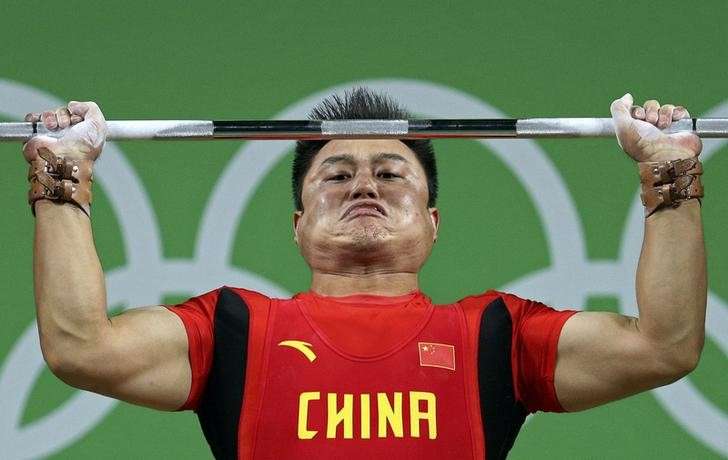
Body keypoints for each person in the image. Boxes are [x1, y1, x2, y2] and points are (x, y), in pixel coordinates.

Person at [22, 88, 707, 459]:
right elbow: (82, 348)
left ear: (432, 222)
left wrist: (670, 174)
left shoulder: (495, 336)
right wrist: (62, 179)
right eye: (337, 174)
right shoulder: (233, 329)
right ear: (297, 224)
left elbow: (664, 345)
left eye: (390, 172)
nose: (363, 187)